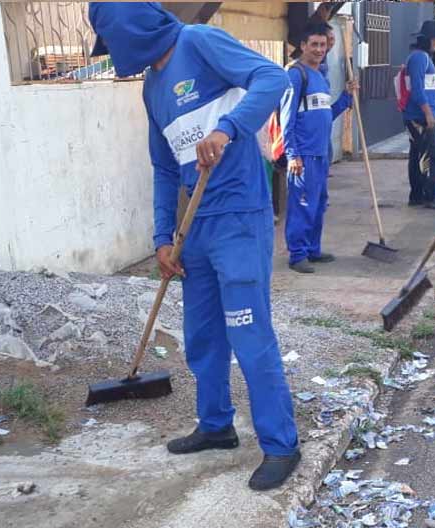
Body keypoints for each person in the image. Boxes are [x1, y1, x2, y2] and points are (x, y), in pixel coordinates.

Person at [88, 3, 301, 490]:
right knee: (203, 336)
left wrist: (227, 129)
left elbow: (272, 79)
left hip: (239, 219)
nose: (117, 54)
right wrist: (162, 239)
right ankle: (216, 425)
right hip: (195, 226)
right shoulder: (151, 87)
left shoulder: (199, 41)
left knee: (249, 335)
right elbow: (164, 168)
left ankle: (281, 445)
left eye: (114, 43)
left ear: (129, 29)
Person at [281, 23, 356, 274]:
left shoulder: (321, 77)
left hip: (321, 153)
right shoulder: (296, 75)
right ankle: (298, 254)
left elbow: (327, 114)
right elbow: (286, 118)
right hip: (303, 154)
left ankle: (313, 249)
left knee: (318, 203)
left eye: (323, 45)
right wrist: (292, 154)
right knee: (302, 204)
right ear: (303, 46)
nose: (319, 49)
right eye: (314, 44)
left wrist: (346, 97)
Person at [403, 21, 435, 210]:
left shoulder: (420, 57)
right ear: (427, 40)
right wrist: (429, 112)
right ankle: (429, 196)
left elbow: (426, 88)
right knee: (429, 156)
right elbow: (418, 89)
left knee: (417, 154)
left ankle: (417, 195)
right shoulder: (420, 58)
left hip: (419, 114)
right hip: (420, 117)